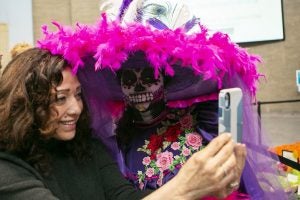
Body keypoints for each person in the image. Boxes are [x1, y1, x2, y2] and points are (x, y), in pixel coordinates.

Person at [37, 15, 290, 199]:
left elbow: (236, 183)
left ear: (165, 80)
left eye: (148, 78)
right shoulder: (114, 140)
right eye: (129, 80)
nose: (138, 88)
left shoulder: (202, 120)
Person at [0, 47, 247, 200]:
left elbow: (125, 197)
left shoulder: (85, 146)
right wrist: (185, 188)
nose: (75, 108)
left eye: (77, 95)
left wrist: (206, 186)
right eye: (60, 98)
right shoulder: (7, 167)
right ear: (26, 104)